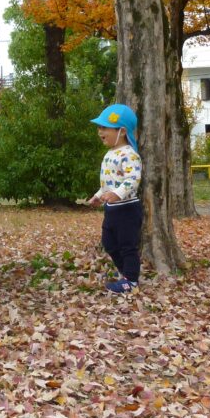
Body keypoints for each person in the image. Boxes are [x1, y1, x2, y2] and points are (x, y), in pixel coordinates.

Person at [88, 104, 143, 294]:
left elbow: (133, 179)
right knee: (109, 242)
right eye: (99, 127)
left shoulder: (129, 154)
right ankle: (124, 274)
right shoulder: (110, 153)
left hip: (127, 209)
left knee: (128, 246)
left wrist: (117, 194)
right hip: (111, 209)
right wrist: (98, 195)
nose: (100, 131)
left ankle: (131, 281)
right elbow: (108, 183)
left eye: (105, 128)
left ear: (122, 131)